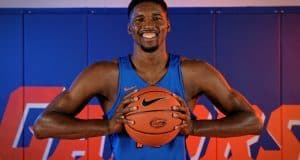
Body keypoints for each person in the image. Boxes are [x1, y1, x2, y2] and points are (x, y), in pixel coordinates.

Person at [33, 0, 263, 159]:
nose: (149, 25)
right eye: (140, 19)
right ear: (130, 28)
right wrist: (108, 125)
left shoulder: (194, 72)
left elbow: (252, 122)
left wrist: (194, 127)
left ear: (168, 26)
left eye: (156, 18)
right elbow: (43, 126)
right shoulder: (104, 74)